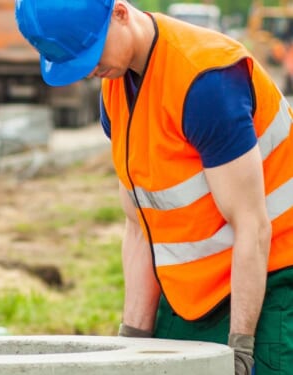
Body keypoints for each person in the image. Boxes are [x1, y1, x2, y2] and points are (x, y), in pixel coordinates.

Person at [15, 1, 293, 374]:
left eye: (93, 53)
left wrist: (240, 346)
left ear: (119, 13)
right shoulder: (115, 90)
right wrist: (133, 339)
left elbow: (252, 226)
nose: (91, 71)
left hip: (274, 276)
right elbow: (139, 226)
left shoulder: (206, 82)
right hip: (190, 290)